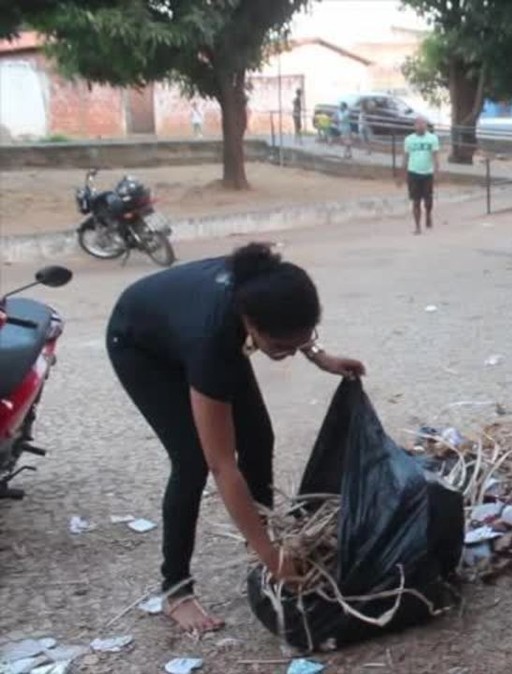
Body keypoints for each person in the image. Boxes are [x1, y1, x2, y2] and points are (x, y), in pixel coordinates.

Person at [106, 243, 366, 635]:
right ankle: (176, 589)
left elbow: (294, 328)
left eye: (299, 343)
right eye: (279, 347)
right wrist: (272, 558)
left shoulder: (269, 288)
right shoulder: (214, 342)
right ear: (249, 323)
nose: (289, 355)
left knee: (259, 436)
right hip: (141, 348)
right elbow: (222, 465)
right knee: (192, 460)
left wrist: (319, 355)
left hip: (189, 326)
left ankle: (259, 534)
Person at [402, 117, 439, 235]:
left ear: (426, 126)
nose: (421, 126)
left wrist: (436, 171)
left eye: (423, 124)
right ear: (414, 126)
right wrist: (401, 174)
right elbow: (406, 156)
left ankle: (428, 214)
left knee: (428, 200)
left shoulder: (432, 138)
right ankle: (417, 226)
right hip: (413, 172)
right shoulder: (409, 139)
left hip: (427, 172)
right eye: (418, 124)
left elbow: (435, 156)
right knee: (415, 200)